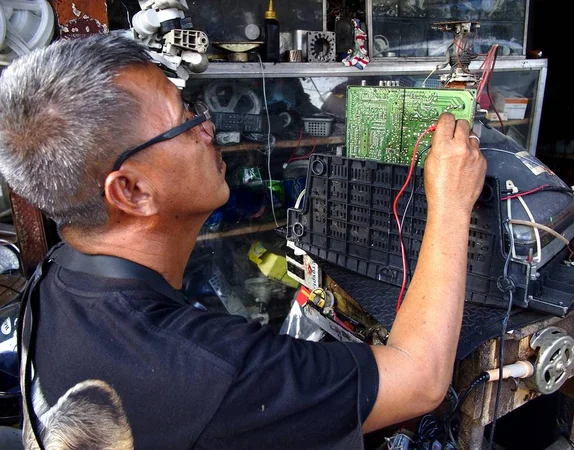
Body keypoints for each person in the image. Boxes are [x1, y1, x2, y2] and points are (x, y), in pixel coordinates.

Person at [0, 35, 486, 449]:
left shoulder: (56, 277)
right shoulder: (206, 371)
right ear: (131, 190)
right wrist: (451, 200)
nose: (208, 127)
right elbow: (420, 381)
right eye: (186, 121)